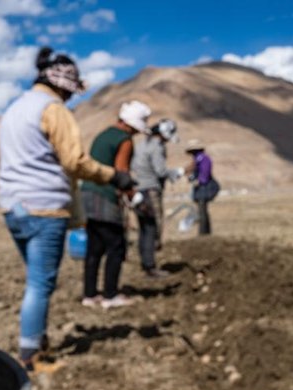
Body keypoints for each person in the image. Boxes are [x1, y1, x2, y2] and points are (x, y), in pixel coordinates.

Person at [0, 46, 135, 370]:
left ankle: (37, 342)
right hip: (45, 206)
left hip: (12, 205)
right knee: (41, 284)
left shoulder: (14, 109)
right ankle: (30, 355)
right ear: (63, 85)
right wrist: (114, 176)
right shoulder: (53, 109)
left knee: (35, 279)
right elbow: (74, 160)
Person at [80, 100, 151, 308]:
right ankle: (111, 295)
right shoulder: (125, 140)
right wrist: (133, 196)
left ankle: (90, 294)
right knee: (116, 246)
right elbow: (121, 173)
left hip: (87, 194)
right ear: (132, 125)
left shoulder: (103, 135)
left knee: (94, 248)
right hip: (105, 197)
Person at [131, 118, 184, 277]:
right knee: (152, 227)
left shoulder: (142, 144)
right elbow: (160, 171)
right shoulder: (156, 147)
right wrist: (177, 172)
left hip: (138, 190)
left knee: (143, 226)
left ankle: (145, 262)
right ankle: (150, 266)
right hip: (151, 190)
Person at [185, 139, 216, 235]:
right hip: (200, 187)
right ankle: (205, 232)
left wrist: (199, 181)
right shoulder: (197, 159)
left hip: (204, 187)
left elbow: (205, 173)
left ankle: (203, 232)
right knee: (202, 210)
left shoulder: (203, 159)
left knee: (202, 210)